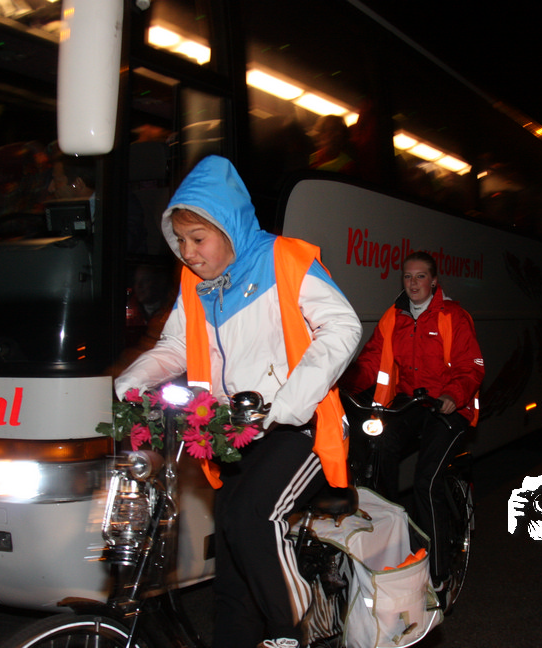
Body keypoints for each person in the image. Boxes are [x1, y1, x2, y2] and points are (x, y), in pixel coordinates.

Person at [114, 155, 362, 648]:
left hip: (298, 428)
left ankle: (292, 631)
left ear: (228, 228)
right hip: (233, 431)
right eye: (180, 240)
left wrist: (288, 404)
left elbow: (343, 326)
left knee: (251, 518)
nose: (187, 252)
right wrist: (129, 383)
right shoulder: (195, 283)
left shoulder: (284, 259)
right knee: (230, 554)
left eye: (197, 239)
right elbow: (177, 346)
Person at [340, 251, 484, 594]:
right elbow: (372, 360)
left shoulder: (453, 316)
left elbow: (471, 366)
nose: (413, 282)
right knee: (377, 452)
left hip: (449, 407)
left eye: (421, 276)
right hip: (411, 403)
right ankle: (393, 533)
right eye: (408, 276)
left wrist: (453, 395)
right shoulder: (395, 316)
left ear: (434, 281)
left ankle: (438, 573)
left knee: (426, 480)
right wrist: (341, 384)